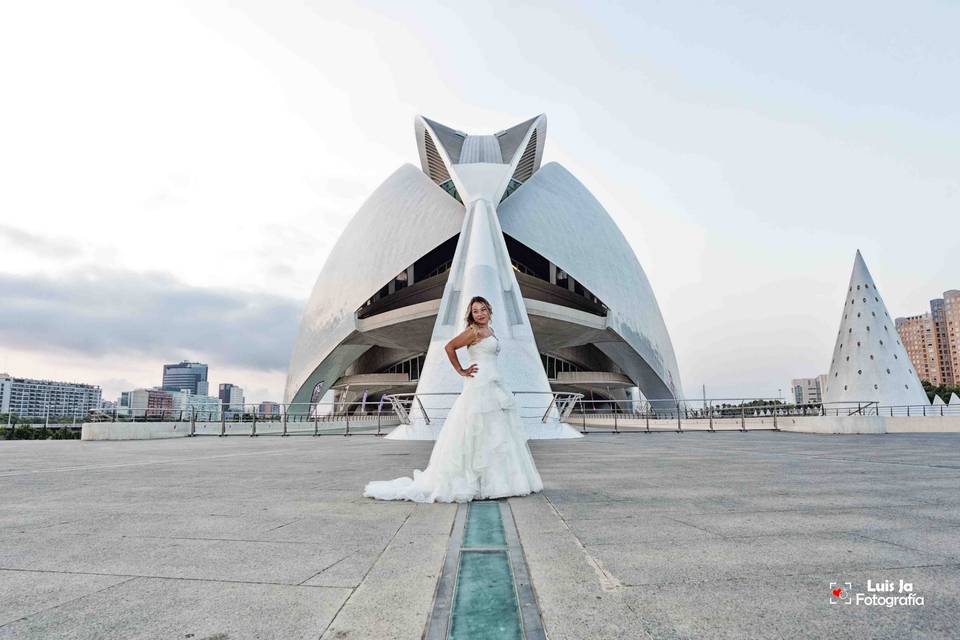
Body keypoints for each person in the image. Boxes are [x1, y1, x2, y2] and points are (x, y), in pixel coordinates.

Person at [363, 296, 543, 503]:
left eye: (483, 309)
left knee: (495, 431)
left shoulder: (491, 331)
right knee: (476, 428)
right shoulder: (473, 332)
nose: (480, 314)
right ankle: (473, 480)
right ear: (471, 315)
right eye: (475, 311)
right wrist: (461, 370)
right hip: (478, 383)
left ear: (489, 311)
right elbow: (449, 347)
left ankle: (498, 480)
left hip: (493, 383)